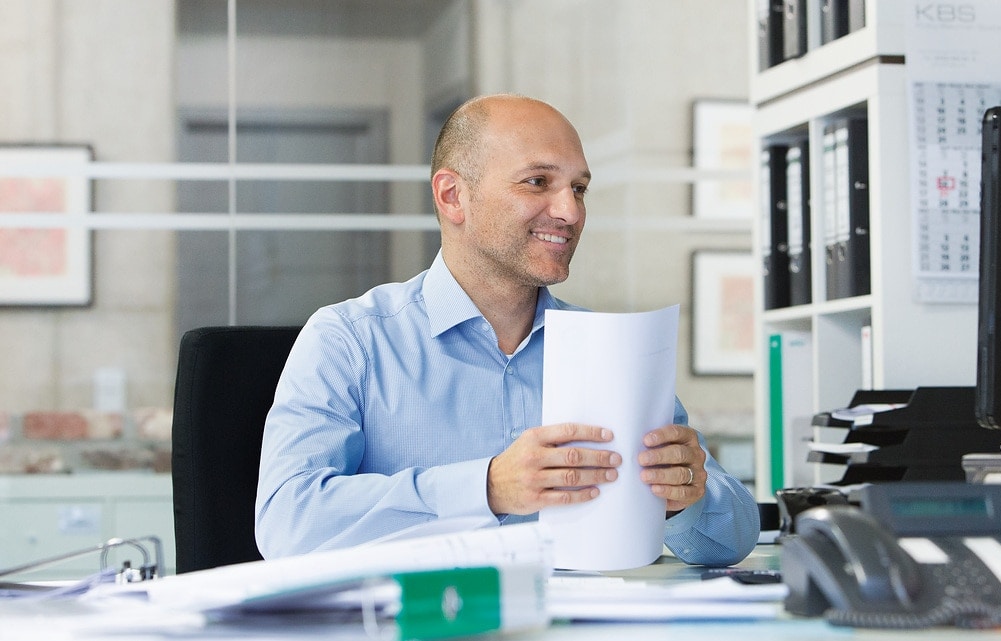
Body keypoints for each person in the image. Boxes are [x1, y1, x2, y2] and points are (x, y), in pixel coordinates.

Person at [254, 93, 760, 566]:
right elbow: (287, 522)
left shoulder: (610, 350)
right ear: (453, 196)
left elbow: (732, 539)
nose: (570, 212)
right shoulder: (350, 339)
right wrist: (487, 487)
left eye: (578, 189)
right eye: (537, 182)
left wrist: (685, 497)